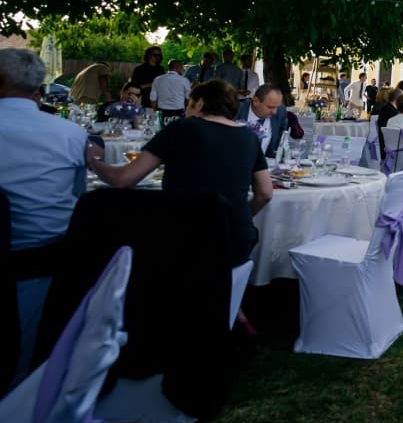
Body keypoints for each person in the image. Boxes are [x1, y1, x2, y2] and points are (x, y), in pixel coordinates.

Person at [86, 79, 273, 267]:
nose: (186, 110)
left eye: (189, 104)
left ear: (200, 103)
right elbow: (265, 193)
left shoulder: (182, 128)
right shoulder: (249, 138)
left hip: (184, 242)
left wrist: (95, 161)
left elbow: (122, 179)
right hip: (236, 243)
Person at [0, 49, 88, 380]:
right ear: (38, 86)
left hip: (33, 260)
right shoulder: (70, 134)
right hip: (51, 258)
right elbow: (78, 195)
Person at [235, 83, 288, 158]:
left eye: (277, 107)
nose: (275, 112)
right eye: (270, 107)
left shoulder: (281, 112)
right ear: (255, 101)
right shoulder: (236, 111)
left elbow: (280, 143)